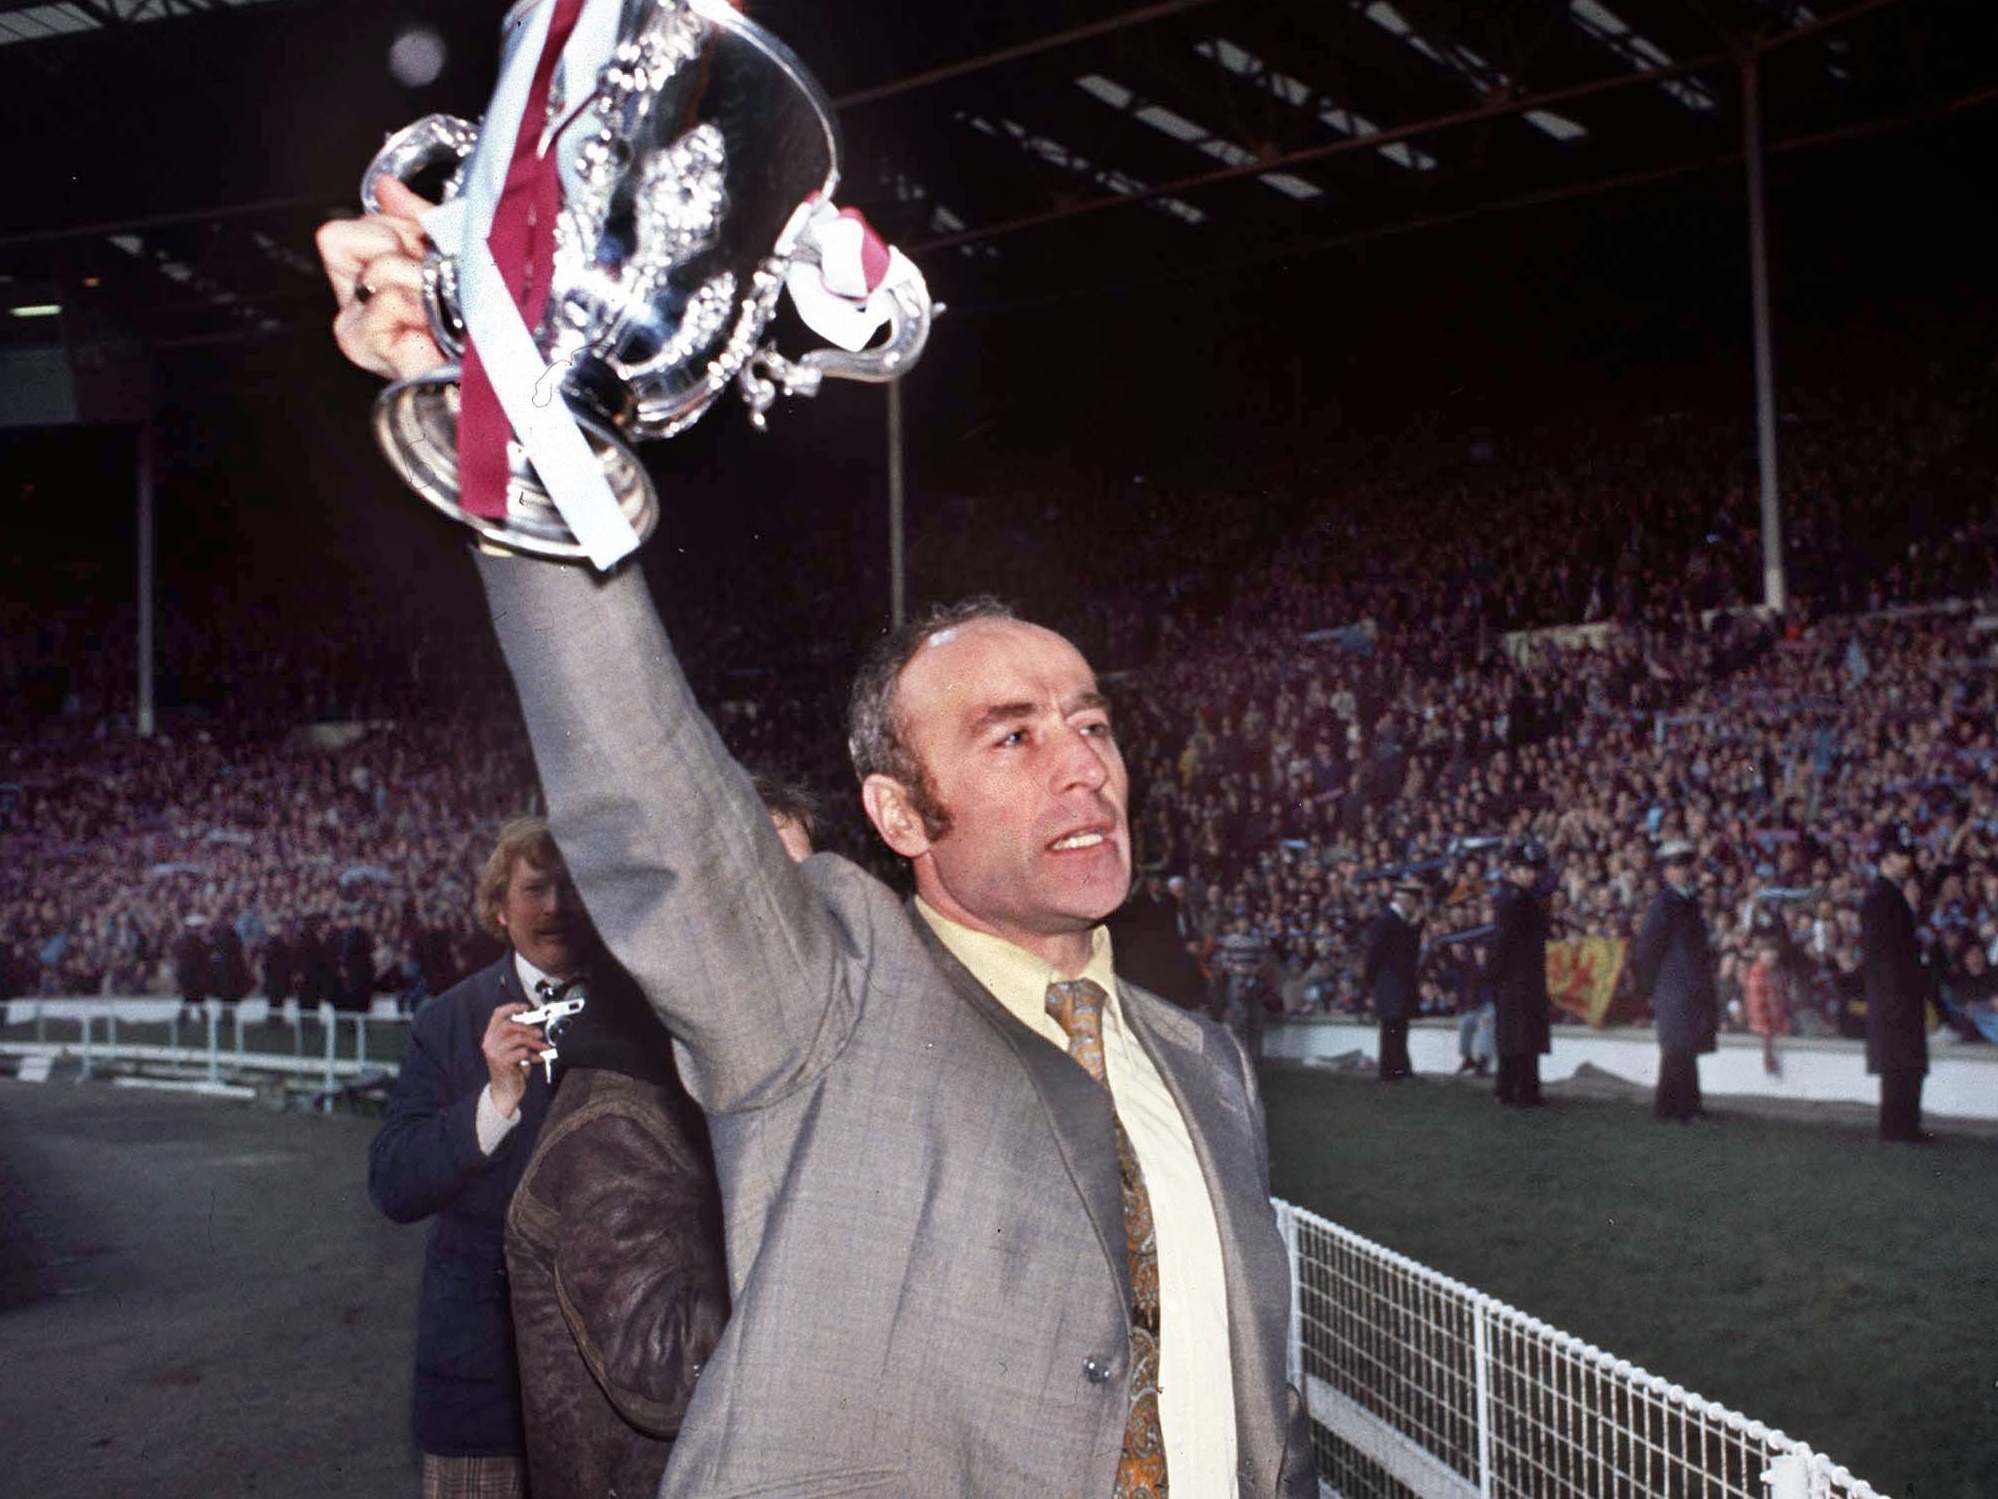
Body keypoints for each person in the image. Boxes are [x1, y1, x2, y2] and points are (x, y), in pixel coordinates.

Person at [327, 175, 1313, 1499]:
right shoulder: (829, 992)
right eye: (1011, 734)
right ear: (898, 812)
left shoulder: (1205, 1063)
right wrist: (496, 394)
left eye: (1091, 722)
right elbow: (646, 797)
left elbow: (1251, 1401)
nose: (1085, 762)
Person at [503, 783, 812, 1499]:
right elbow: (665, 1372)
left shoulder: (723, 1084)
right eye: (757, 892)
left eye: (806, 888)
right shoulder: (616, 1119)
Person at [368, 817, 598, 1498]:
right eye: (534, 888)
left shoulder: (641, 1011)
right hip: (482, 1377)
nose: (555, 904)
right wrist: (494, 1103)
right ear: (499, 909)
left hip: (607, 1372)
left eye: (569, 886)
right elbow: (394, 1181)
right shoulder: (446, 1020)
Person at [1630, 841, 1719, 1122]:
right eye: (1676, 866)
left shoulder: (1687, 900)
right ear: (1666, 871)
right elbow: (1647, 949)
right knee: (1679, 1047)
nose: (1683, 871)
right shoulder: (1665, 904)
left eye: (1685, 865)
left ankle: (1670, 1107)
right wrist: (1650, 987)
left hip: (1688, 984)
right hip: (1673, 985)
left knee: (1681, 1047)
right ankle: (1684, 1109)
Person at [1862, 823, 1935, 1143]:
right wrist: (1895, 999)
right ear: (1885, 857)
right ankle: (1897, 1128)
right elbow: (1883, 956)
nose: (1906, 861)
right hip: (1895, 996)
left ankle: (1905, 1126)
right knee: (1899, 1065)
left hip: (1900, 994)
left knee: (1905, 1064)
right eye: (1899, 854)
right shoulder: (1881, 897)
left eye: (1907, 855)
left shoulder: (1891, 895)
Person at [1487, 836, 1552, 1107]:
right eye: (1527, 869)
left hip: (1521, 976)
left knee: (1517, 1036)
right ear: (1513, 870)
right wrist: (1496, 973)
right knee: (1522, 1037)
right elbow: (1503, 942)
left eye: (1534, 869)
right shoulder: (1515, 900)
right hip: (1518, 977)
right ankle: (1523, 1091)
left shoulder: (1519, 898)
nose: (1532, 875)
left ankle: (1510, 1088)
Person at [1361, 878, 1425, 1082]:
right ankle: (1389, 1072)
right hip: (1389, 983)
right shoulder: (1387, 921)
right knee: (1391, 1028)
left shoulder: (1396, 921)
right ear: (1407, 901)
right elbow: (1374, 954)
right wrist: (1370, 982)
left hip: (1396, 983)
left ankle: (1399, 1069)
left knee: (1399, 1027)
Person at [1741, 912, 1791, 1076]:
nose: (1771, 955)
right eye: (1767, 952)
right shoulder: (1757, 974)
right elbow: (1757, 1005)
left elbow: (1785, 998)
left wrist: (1784, 1020)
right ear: (1760, 954)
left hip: (1778, 1022)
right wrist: (1767, 1026)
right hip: (1764, 1027)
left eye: (1773, 951)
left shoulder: (1779, 972)